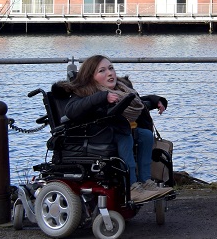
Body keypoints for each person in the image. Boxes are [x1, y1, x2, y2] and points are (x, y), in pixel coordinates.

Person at [56, 54, 173, 203]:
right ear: (90, 76)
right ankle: (132, 186)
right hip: (95, 136)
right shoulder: (84, 92)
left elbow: (136, 102)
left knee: (145, 135)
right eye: (102, 71)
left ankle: (146, 181)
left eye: (111, 68)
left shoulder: (122, 89)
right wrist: (102, 97)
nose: (110, 73)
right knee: (125, 135)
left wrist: (156, 101)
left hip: (115, 131)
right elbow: (71, 110)